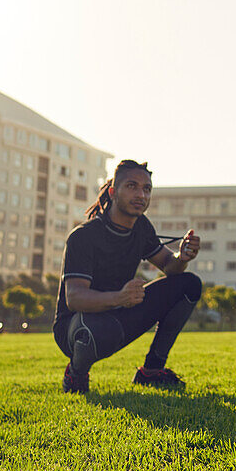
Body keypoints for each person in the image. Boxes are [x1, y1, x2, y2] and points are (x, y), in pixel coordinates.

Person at [53, 159, 202, 394]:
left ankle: (151, 371)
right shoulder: (83, 236)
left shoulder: (141, 227)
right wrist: (120, 298)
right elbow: (75, 298)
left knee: (189, 284)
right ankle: (76, 373)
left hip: (118, 312)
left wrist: (182, 257)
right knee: (92, 329)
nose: (141, 194)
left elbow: (168, 264)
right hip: (76, 325)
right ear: (113, 192)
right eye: (132, 186)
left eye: (146, 189)